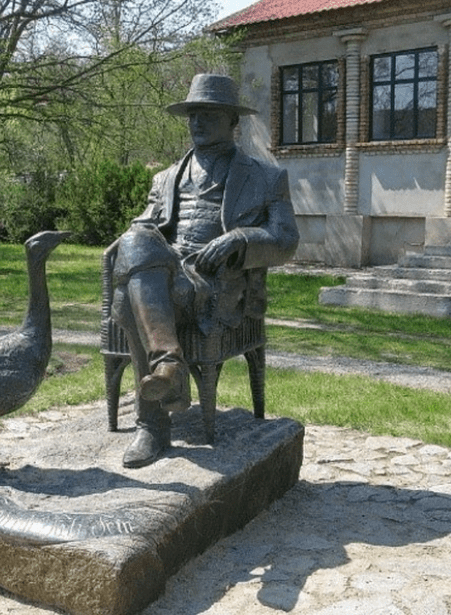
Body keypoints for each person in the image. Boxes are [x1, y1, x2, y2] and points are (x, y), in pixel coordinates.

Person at [111, 74, 299, 468]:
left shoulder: (266, 177)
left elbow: (285, 241)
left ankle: (153, 423)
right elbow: (143, 229)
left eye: (209, 115)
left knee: (129, 298)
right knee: (133, 244)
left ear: (233, 121)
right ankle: (169, 367)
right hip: (167, 275)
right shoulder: (165, 178)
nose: (197, 122)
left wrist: (241, 239)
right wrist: (141, 243)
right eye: (193, 114)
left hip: (217, 285)